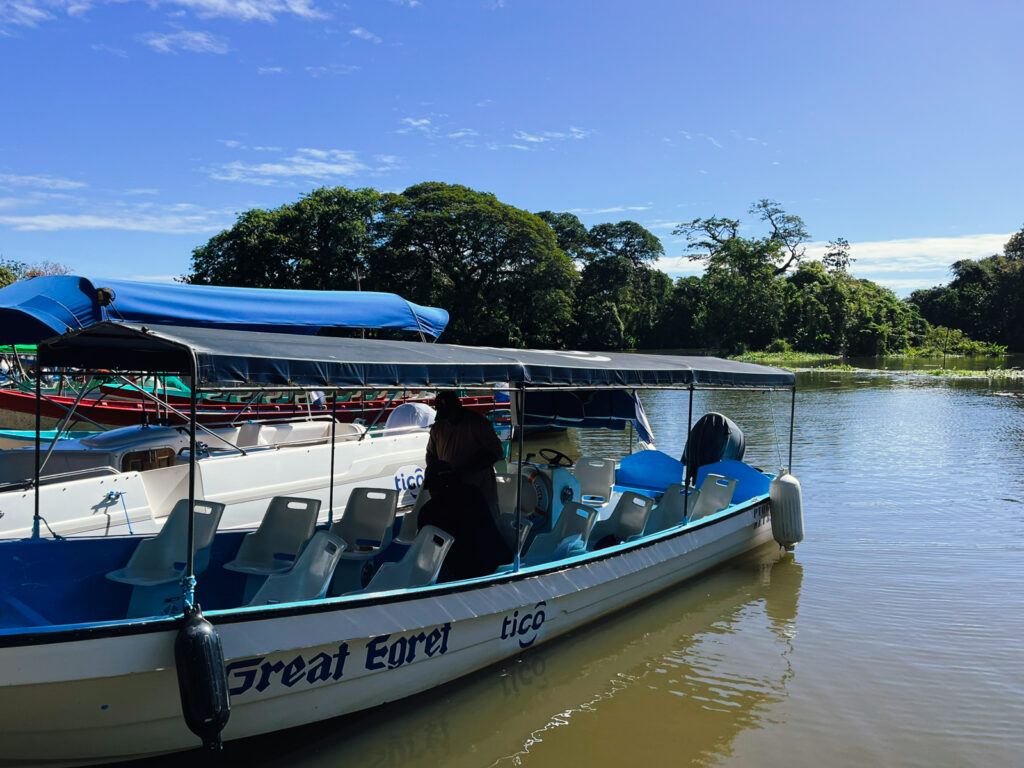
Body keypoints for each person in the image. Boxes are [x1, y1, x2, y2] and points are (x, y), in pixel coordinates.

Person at [418, 461, 513, 580]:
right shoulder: (475, 493)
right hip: (501, 562)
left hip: (469, 575)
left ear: (433, 487)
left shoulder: (429, 511)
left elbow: (425, 554)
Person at [425, 391, 504, 516]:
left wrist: (464, 472)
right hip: (452, 494)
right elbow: (431, 454)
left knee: (485, 531)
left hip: (480, 493)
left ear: (458, 407)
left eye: (449, 413)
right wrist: (434, 473)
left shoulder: (478, 423)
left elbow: (495, 453)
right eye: (444, 414)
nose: (447, 418)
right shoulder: (438, 427)